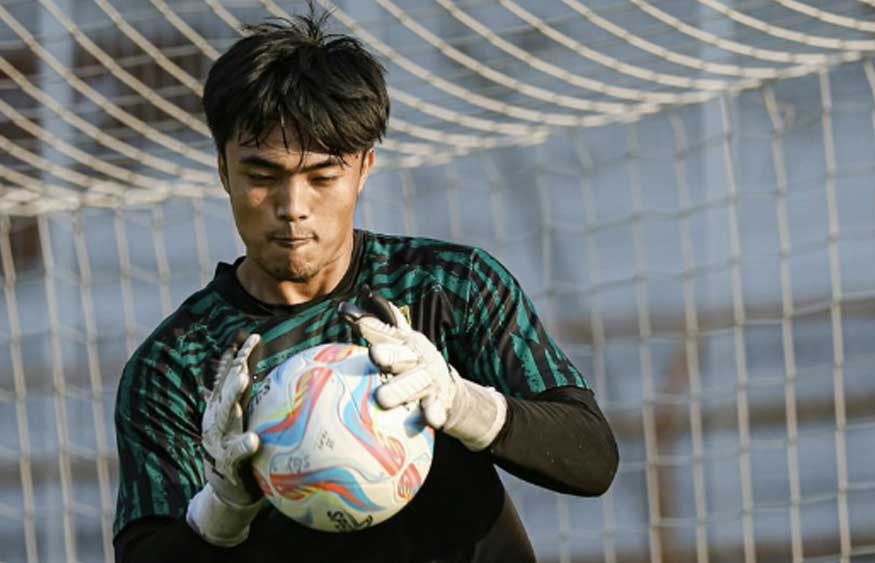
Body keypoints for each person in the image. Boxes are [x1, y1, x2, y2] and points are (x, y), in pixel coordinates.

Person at [112, 6, 618, 563]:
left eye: (322, 177)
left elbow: (592, 458)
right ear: (223, 171)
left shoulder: (447, 287)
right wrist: (221, 511)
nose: (292, 207)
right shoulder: (176, 363)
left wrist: (459, 402)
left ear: (364, 167)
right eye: (261, 176)